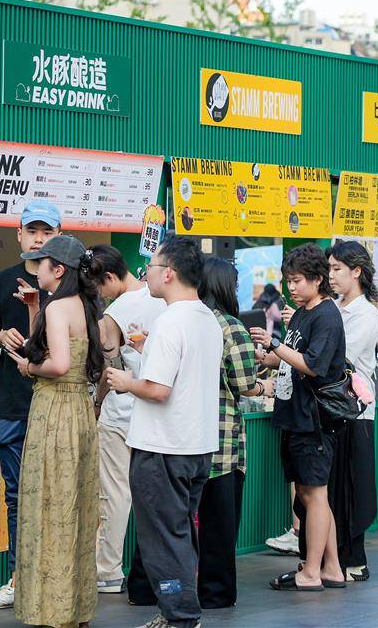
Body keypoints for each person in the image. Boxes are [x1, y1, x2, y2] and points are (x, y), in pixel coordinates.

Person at [105, 237, 222, 628]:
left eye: (150, 268)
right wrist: (148, 350)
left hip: (162, 447)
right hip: (196, 446)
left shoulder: (170, 321)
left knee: (161, 539)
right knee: (180, 533)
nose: (146, 275)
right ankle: (177, 611)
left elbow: (157, 389)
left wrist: (125, 381)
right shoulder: (207, 319)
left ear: (168, 273)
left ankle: (180, 617)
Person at [11, 235, 105, 628]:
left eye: (42, 263)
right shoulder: (84, 305)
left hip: (54, 412)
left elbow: (59, 363)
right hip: (80, 412)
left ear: (59, 270)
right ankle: (75, 609)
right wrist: (35, 308)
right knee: (75, 509)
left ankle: (51, 611)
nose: (36, 269)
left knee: (47, 507)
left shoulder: (57, 307)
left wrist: (29, 367)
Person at [250, 243, 348, 592]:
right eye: (288, 281)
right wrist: (268, 355)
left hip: (314, 420)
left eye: (298, 281)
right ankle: (332, 568)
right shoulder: (305, 312)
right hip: (297, 415)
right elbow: (293, 358)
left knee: (315, 495)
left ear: (318, 279)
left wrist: (275, 346)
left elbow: (313, 365)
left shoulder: (326, 316)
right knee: (310, 494)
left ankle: (311, 572)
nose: (291, 287)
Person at [0, 199, 60, 610]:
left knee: (56, 494)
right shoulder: (4, 280)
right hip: (12, 404)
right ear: (19, 235)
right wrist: (0, 336)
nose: (39, 239)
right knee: (15, 495)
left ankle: (54, 579)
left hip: (57, 404)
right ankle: (18, 578)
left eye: (47, 232)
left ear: (59, 236)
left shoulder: (67, 285)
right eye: (32, 231)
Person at [87, 245, 167, 596]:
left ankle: (107, 569)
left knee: (115, 493)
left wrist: (97, 402)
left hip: (120, 414)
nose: (99, 295)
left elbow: (107, 369)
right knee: (152, 495)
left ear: (108, 277)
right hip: (154, 413)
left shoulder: (116, 311)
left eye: (98, 287)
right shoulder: (162, 298)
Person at [196, 256, 263, 608]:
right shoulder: (231, 327)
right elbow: (245, 383)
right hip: (222, 443)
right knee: (220, 526)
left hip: (185, 440)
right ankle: (216, 593)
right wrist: (265, 386)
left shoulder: (186, 321)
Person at [326, 240, 378, 581]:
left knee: (354, 485)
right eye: (329, 268)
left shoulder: (365, 314)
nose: (331, 275)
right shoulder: (334, 307)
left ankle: (355, 559)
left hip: (356, 411)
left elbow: (338, 356)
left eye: (337, 269)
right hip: (334, 411)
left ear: (357, 271)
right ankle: (335, 559)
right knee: (336, 487)